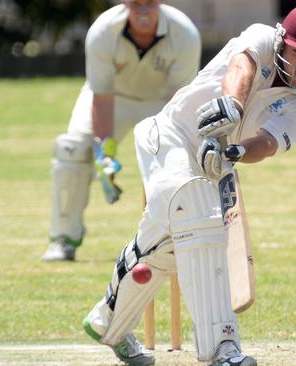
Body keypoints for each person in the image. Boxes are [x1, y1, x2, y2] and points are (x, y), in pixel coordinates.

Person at [82, 5, 296, 366]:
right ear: (282, 41)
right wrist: (231, 105)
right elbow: (241, 66)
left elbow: (266, 143)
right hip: (170, 137)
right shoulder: (260, 37)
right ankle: (222, 349)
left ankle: (108, 321)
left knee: (164, 249)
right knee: (202, 224)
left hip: (214, 161)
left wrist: (234, 151)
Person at [41, 0, 201, 261]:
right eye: (136, 2)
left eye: (149, 1)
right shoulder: (103, 31)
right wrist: (105, 154)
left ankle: (174, 238)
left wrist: (168, 148)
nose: (143, 8)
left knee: (180, 158)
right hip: (113, 98)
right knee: (72, 149)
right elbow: (102, 98)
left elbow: (179, 102)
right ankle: (63, 238)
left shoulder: (184, 34)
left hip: (162, 104)